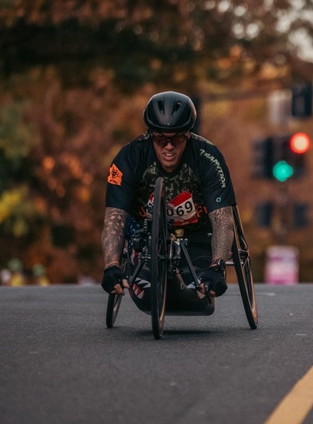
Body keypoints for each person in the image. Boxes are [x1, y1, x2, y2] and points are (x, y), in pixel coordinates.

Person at [100, 91, 235, 313]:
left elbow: (222, 218)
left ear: (188, 135)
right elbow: (114, 217)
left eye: (177, 138)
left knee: (201, 293)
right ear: (150, 134)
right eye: (161, 139)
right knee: (144, 291)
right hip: (145, 236)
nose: (169, 146)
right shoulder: (129, 157)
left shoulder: (208, 158)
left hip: (197, 233)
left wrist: (218, 265)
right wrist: (111, 265)